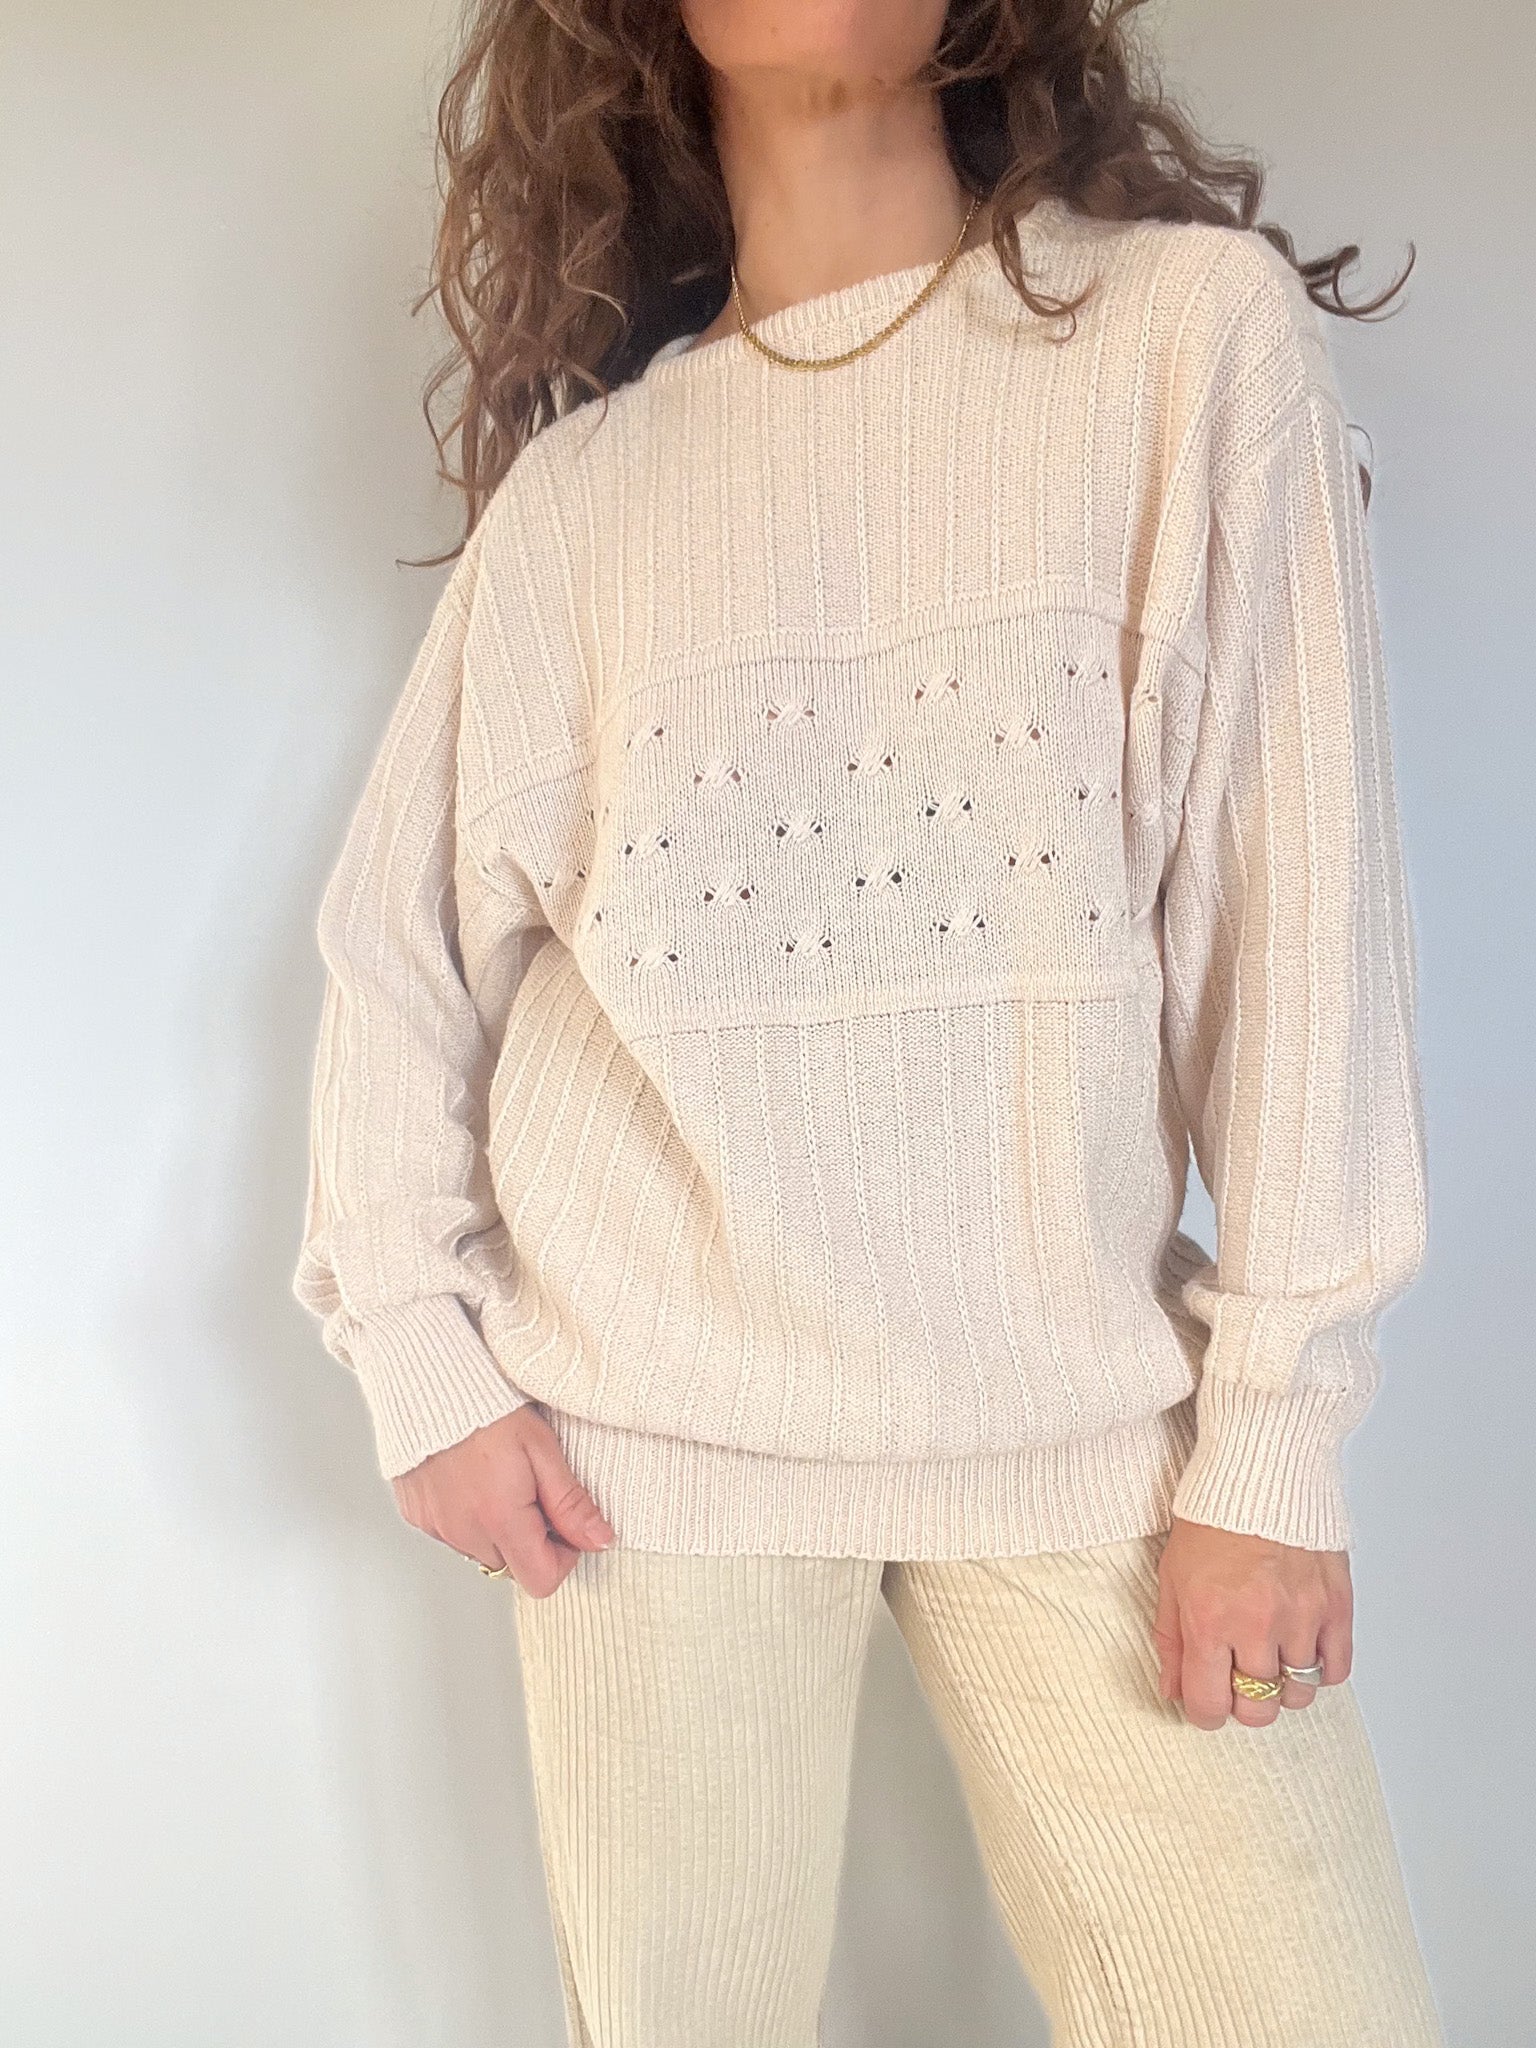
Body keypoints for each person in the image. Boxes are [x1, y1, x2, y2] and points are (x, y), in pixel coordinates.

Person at [291, 3, 1446, 2042]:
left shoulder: (1188, 341)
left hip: (1089, 1431)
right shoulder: (586, 495)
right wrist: (416, 1357)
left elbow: (1302, 922)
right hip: (646, 1459)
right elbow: (400, 958)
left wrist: (1272, 1443)